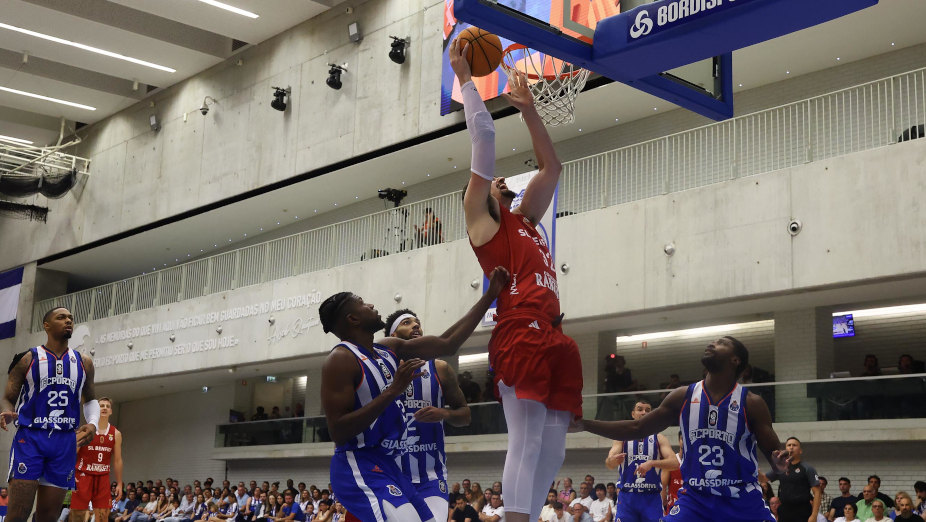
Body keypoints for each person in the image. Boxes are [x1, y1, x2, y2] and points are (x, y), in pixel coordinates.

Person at [451, 35, 582, 522]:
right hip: (519, 327)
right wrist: (466, 79)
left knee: (554, 448)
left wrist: (529, 111)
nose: (502, 179)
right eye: (494, 181)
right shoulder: (483, 220)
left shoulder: (525, 218)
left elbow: (552, 167)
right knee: (525, 440)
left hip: (553, 331)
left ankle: (526, 513)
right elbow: (484, 138)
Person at [318, 267, 507, 522]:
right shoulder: (340, 359)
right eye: (363, 303)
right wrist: (393, 391)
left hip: (390, 463)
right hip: (357, 463)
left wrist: (490, 295)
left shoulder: (388, 348)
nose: (371, 305)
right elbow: (338, 431)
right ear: (353, 319)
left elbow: (448, 342)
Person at [574, 336, 790, 522]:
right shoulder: (683, 396)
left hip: (741, 499)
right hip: (695, 500)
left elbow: (776, 460)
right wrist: (584, 424)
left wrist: (779, 465)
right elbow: (637, 427)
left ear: (735, 360)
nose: (712, 344)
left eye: (721, 343)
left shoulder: (751, 403)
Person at [2, 307, 100, 522]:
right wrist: (7, 411)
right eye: (61, 317)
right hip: (31, 438)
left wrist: (93, 423)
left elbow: (91, 399)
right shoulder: (28, 359)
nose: (68, 321)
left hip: (64, 441)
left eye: (71, 318)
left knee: (48, 517)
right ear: (46, 325)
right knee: (18, 514)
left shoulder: (84, 362)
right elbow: (8, 397)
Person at [385, 308, 472, 520]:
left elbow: (466, 415)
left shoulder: (439, 368)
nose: (416, 325)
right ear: (393, 336)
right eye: (406, 322)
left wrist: (445, 413)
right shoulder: (382, 371)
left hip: (431, 478)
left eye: (417, 322)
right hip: (391, 477)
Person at [605, 400, 679, 522]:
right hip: (628, 498)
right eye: (640, 409)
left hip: (651, 497)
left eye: (647, 410)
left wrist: (652, 463)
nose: (644, 412)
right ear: (633, 414)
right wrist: (612, 460)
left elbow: (675, 463)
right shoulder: (621, 438)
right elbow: (609, 464)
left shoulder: (659, 438)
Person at [71, 397, 123, 522]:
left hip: (103, 477)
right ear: (96, 410)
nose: (104, 408)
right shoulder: (86, 430)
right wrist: (69, 474)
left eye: (107, 406)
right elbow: (72, 454)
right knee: (78, 515)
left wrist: (119, 483)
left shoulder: (116, 433)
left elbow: (117, 460)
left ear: (111, 411)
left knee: (103, 515)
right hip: (83, 475)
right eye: (101, 406)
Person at [765, 437, 821, 522]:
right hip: (784, 511)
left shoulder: (807, 468)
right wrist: (752, 470)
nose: (791, 447)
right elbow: (763, 479)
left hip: (802, 511)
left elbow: (817, 492)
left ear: (800, 451)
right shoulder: (780, 467)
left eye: (794, 445)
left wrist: (814, 515)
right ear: (785, 449)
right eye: (789, 445)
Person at [661, 432, 685, 515]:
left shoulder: (696, 462)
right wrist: (663, 507)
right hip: (673, 508)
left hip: (690, 508)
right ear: (679, 441)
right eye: (682, 439)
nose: (684, 441)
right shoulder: (671, 462)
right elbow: (663, 486)